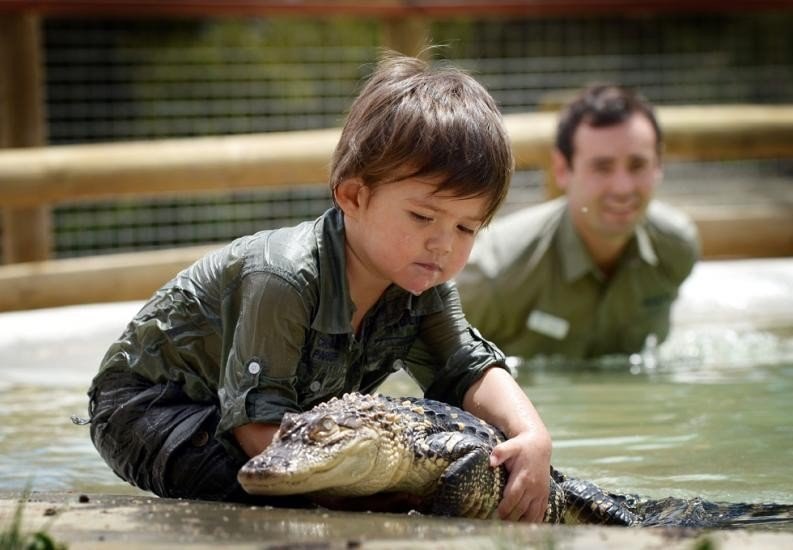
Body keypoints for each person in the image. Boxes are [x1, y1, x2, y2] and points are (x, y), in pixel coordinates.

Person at [82, 54, 552, 523]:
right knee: (283, 497)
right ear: (353, 197)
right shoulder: (283, 277)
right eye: (423, 217)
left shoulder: (422, 283)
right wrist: (351, 496)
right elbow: (256, 422)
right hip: (154, 408)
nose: (443, 244)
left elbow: (467, 370)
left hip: (264, 420)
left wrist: (532, 436)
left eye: (467, 228)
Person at [456, 84, 700, 360]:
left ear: (658, 167)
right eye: (602, 167)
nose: (622, 187)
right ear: (562, 170)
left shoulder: (675, 249)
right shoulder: (495, 273)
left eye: (637, 165)